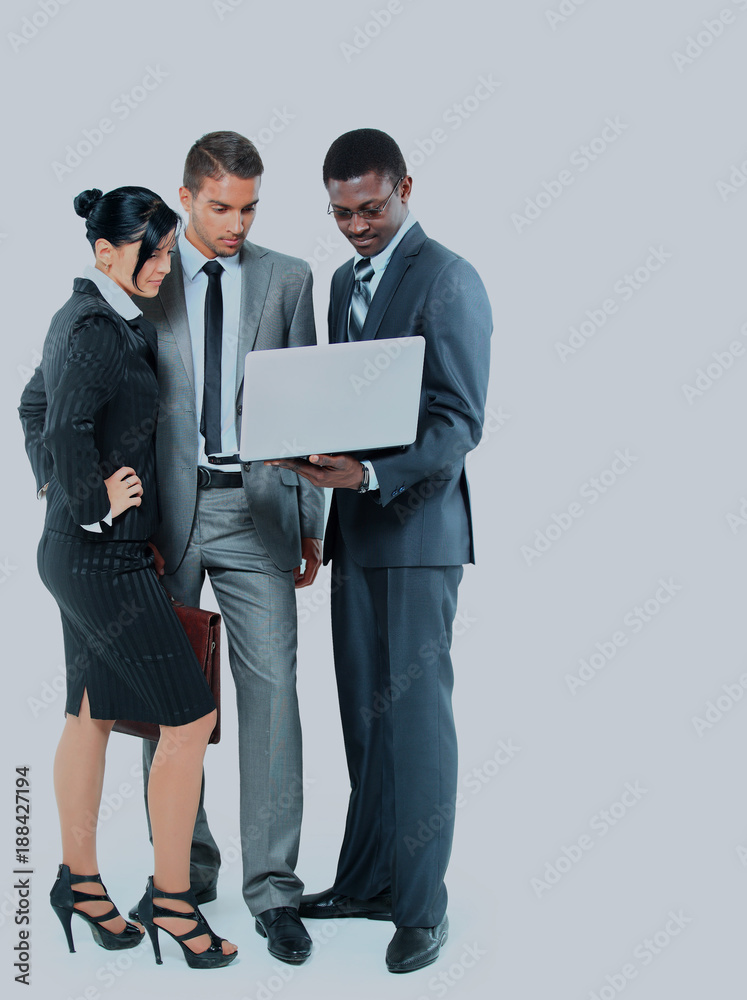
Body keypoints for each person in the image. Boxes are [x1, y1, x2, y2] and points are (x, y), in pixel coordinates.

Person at [267, 128, 493, 974]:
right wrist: (309, 461)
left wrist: (368, 473)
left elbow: (458, 421)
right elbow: (353, 399)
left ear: (405, 187)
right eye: (341, 213)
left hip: (420, 533)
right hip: (356, 531)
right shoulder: (341, 281)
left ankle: (422, 908)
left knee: (417, 722)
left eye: (370, 208)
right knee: (363, 714)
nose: (357, 226)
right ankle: (367, 880)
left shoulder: (448, 278)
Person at [18, 186, 237, 969]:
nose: (164, 266)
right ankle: (174, 904)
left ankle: (79, 884)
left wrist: (67, 499)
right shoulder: (95, 328)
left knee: (91, 714)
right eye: (154, 252)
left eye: (169, 251)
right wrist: (91, 502)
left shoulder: (91, 318)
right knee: (189, 719)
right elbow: (61, 421)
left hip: (79, 555)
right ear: (106, 251)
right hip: (100, 560)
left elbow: (31, 404)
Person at [131, 131, 325, 966]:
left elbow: (310, 406)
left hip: (257, 512)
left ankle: (274, 890)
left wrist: (312, 520)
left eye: (249, 208)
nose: (237, 224)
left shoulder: (288, 279)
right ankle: (186, 870)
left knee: (273, 694)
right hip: (164, 519)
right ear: (185, 198)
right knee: (167, 700)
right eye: (220, 207)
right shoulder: (146, 275)